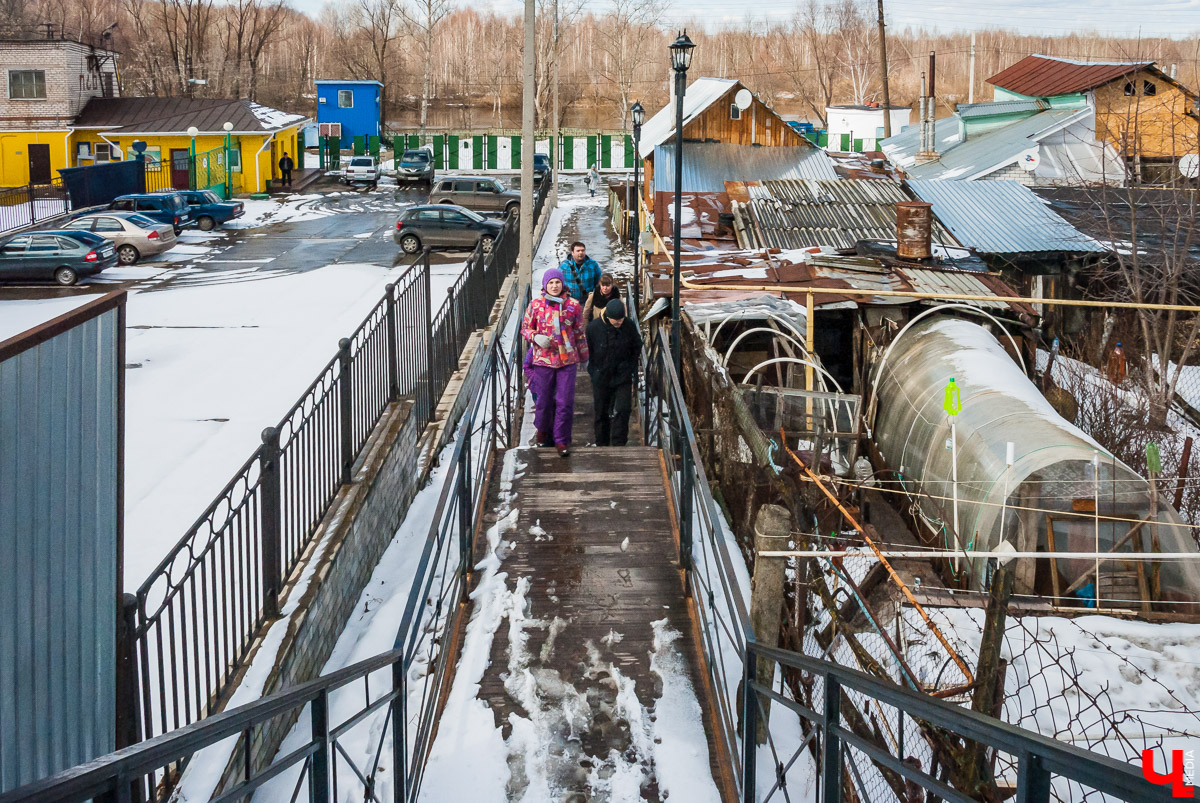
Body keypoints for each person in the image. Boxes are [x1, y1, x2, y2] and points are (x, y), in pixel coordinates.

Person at [522, 268, 588, 457]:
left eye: (557, 282)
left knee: (565, 402)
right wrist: (535, 336)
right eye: (550, 283)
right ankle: (542, 432)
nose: (554, 286)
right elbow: (525, 328)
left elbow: (579, 332)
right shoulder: (536, 305)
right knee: (543, 401)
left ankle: (562, 440)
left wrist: (584, 356)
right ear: (545, 285)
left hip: (567, 360)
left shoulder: (573, 305)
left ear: (562, 284)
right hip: (543, 360)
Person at [586, 299, 641, 447]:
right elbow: (589, 351)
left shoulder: (628, 325)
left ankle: (619, 442)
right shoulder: (593, 328)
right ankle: (601, 443)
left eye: (621, 319)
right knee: (601, 411)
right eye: (615, 320)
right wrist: (593, 370)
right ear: (607, 317)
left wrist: (630, 366)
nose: (618, 322)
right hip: (601, 375)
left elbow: (637, 345)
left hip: (622, 375)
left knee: (623, 409)